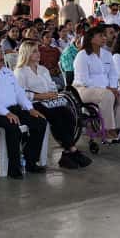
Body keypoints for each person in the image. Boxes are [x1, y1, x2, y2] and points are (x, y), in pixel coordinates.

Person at [0, 44, 48, 178]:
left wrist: (30, 108)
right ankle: (14, 168)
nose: (1, 57)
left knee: (40, 122)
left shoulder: (7, 71)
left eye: (2, 53)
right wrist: (6, 113)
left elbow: (19, 92)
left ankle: (30, 161)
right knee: (13, 127)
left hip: (14, 108)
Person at [14, 41, 90, 169]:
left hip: (48, 102)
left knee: (67, 113)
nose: (38, 53)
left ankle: (68, 151)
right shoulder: (20, 72)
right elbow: (19, 94)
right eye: (34, 51)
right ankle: (71, 150)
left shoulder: (43, 69)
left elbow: (51, 86)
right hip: (31, 104)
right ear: (26, 53)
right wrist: (40, 96)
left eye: (38, 50)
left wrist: (53, 93)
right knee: (56, 115)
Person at [72, 27, 120, 140]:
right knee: (107, 95)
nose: (104, 38)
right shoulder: (82, 55)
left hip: (105, 89)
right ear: (91, 39)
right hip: (83, 89)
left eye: (104, 36)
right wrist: (106, 88)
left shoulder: (107, 54)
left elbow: (113, 74)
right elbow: (84, 80)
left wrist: (113, 87)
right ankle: (108, 129)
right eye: (101, 36)